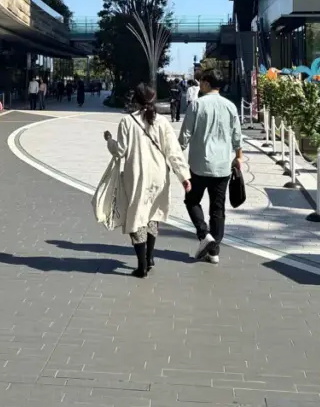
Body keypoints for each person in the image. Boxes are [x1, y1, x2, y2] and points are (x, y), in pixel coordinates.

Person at [103, 83, 191, 278]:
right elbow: (173, 151)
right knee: (152, 215)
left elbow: (120, 151)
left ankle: (142, 265)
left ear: (135, 99)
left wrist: (109, 140)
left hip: (137, 175)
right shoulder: (162, 122)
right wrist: (184, 177)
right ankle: (150, 258)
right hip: (159, 175)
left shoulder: (127, 122)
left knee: (136, 217)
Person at [179, 69, 243, 265]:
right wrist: (238, 157)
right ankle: (214, 251)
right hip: (223, 165)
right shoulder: (230, 106)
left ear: (206, 83)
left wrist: (173, 156)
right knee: (218, 208)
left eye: (201, 82)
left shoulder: (197, 105)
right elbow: (237, 136)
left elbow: (184, 136)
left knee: (192, 200)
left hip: (199, 164)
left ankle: (204, 234)